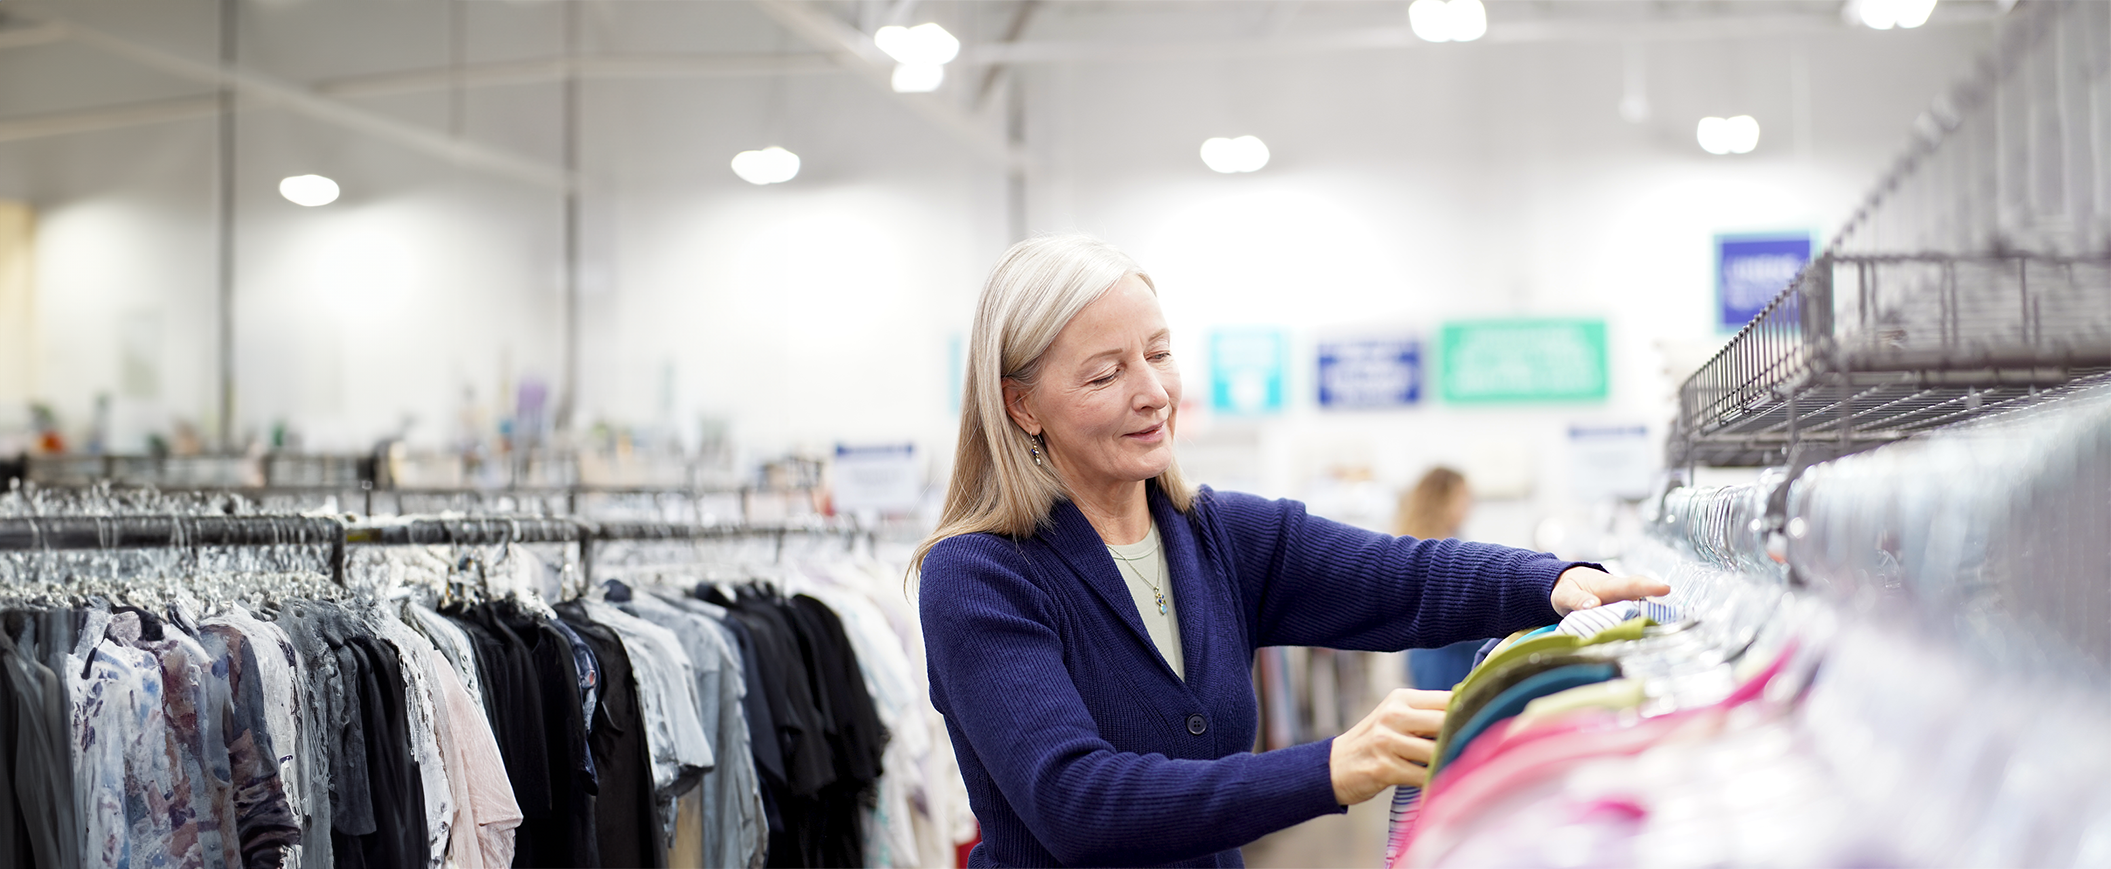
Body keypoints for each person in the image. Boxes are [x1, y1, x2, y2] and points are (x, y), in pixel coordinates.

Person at [913, 235, 1668, 869]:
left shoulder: (1220, 537)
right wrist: (1334, 765)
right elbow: (1077, 800)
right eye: (1106, 373)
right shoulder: (981, 576)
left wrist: (1558, 581)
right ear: (1021, 404)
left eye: (1159, 353)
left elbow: (1406, 576)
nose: (1153, 392)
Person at [1396, 467, 1488, 691]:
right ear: (1443, 499)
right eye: (1463, 497)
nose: (1469, 505)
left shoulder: (1449, 541)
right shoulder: (1433, 552)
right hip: (1440, 659)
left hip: (1446, 655)